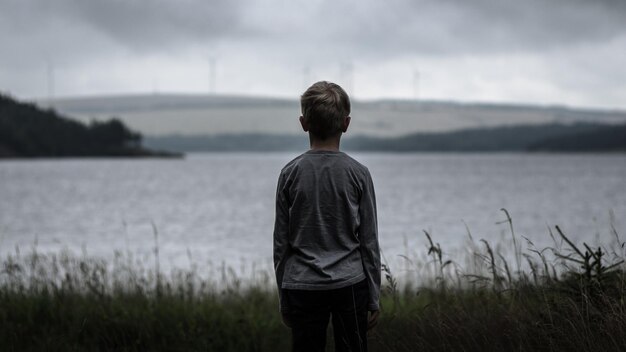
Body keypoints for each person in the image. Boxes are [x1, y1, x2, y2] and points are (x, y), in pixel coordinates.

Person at [273, 81, 381, 352]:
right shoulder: (359, 174)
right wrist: (374, 296)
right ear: (346, 124)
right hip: (351, 286)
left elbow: (280, 243)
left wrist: (284, 296)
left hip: (302, 286)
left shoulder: (289, 174)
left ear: (303, 123)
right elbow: (369, 241)